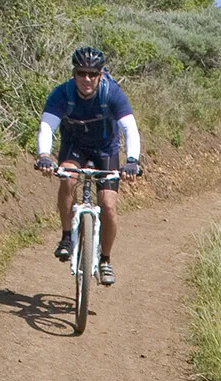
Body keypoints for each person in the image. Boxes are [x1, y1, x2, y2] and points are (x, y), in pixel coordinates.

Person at [34, 46, 142, 286]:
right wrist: (44, 155)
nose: (86, 79)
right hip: (75, 146)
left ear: (101, 74)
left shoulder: (112, 93)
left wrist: (132, 160)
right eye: (81, 73)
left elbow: (129, 129)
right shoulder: (62, 94)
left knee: (108, 206)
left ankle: (105, 260)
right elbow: (47, 127)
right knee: (68, 178)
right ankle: (66, 236)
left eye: (92, 74)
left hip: (106, 150)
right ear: (74, 73)